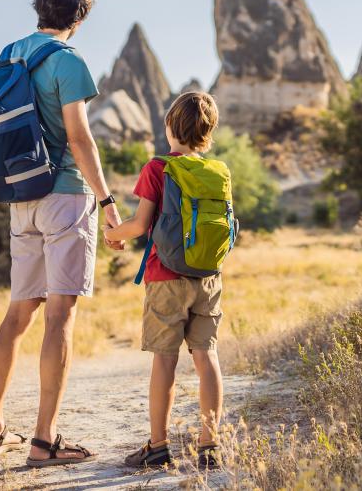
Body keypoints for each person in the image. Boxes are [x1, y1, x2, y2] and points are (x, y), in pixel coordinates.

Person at [0, 0, 124, 468]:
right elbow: (79, 139)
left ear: (39, 7)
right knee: (59, 315)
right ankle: (44, 441)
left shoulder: (11, 52)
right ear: (78, 19)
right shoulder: (67, 62)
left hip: (21, 199)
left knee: (18, 313)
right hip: (64, 196)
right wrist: (106, 201)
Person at [103, 91, 225, 469]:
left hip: (165, 276)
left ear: (171, 127)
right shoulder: (218, 171)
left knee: (164, 361)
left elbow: (140, 225)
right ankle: (211, 444)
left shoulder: (158, 167)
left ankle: (158, 446)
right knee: (207, 357)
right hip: (208, 277)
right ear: (208, 133)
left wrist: (113, 236)